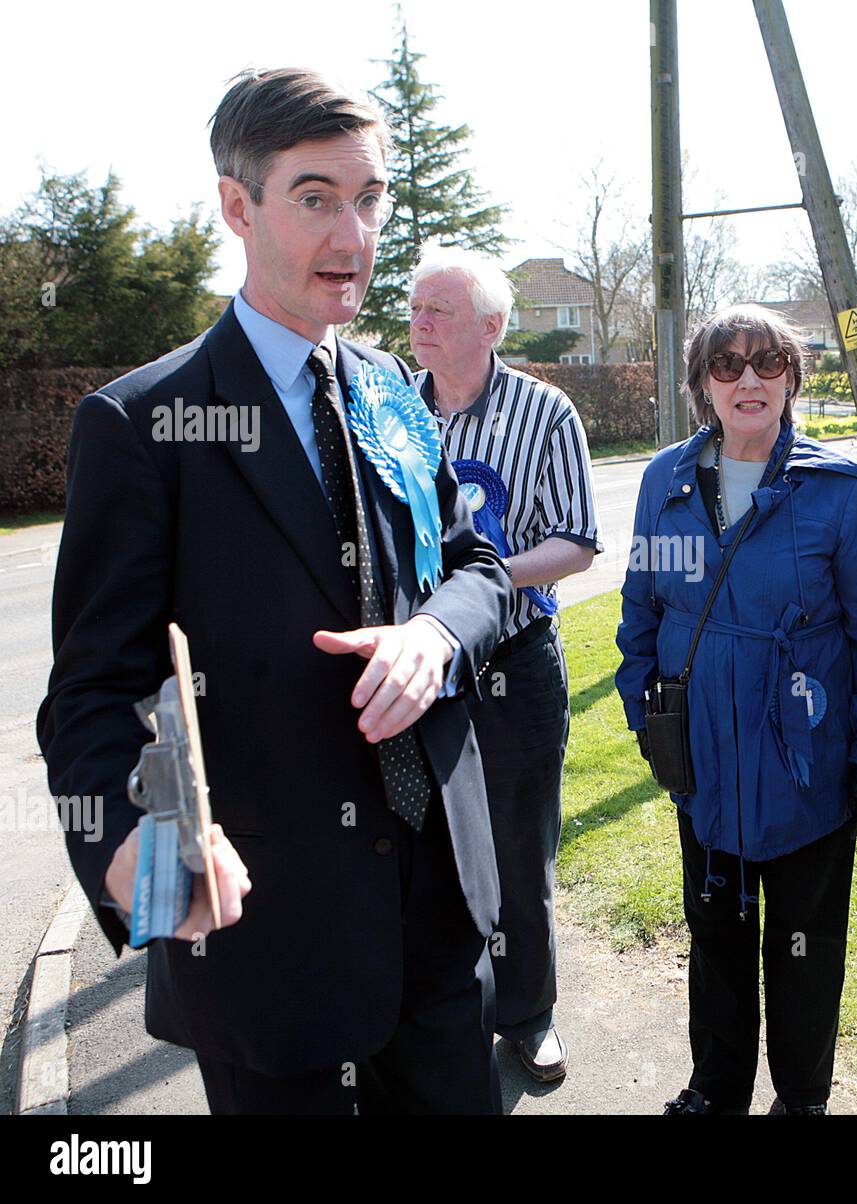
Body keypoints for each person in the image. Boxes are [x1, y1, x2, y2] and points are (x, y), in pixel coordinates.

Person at [37, 68, 512, 1115]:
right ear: (236, 206)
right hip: (272, 955)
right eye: (314, 198)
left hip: (438, 919)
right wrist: (140, 858)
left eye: (369, 198)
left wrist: (433, 635)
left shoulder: (393, 388)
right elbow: (91, 696)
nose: (352, 233)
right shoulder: (142, 425)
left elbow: (479, 569)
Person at [615, 304, 857, 1115]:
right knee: (713, 937)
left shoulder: (839, 492)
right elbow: (640, 610)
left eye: (767, 363)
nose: (748, 379)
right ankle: (715, 1089)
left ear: (791, 377)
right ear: (702, 383)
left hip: (807, 762)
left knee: (804, 947)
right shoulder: (664, 481)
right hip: (703, 760)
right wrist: (647, 723)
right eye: (727, 364)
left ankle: (802, 1097)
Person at [409, 245, 601, 1082]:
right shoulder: (387, 412)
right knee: (421, 847)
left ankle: (527, 1016)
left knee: (519, 851)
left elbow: (577, 542)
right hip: (415, 675)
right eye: (415, 307)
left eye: (440, 311)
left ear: (490, 326)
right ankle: (446, 1009)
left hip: (512, 665)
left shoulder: (545, 411)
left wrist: (479, 585)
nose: (420, 322)